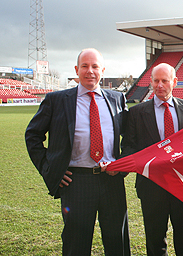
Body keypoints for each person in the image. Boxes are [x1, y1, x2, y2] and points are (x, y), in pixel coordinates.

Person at [25, 48, 130, 255]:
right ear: (76, 69)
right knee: (76, 245)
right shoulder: (56, 100)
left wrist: (122, 165)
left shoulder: (117, 99)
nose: (90, 71)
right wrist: (49, 169)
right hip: (76, 183)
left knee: (117, 242)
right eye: (85, 66)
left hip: (112, 182)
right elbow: (33, 136)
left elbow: (130, 138)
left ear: (103, 70)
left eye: (95, 66)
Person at [121, 63, 183, 256]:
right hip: (152, 186)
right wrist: (139, 162)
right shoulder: (137, 112)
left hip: (181, 184)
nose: (159, 85)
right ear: (151, 82)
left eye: (165, 80)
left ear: (174, 82)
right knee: (154, 239)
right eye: (156, 80)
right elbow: (128, 145)